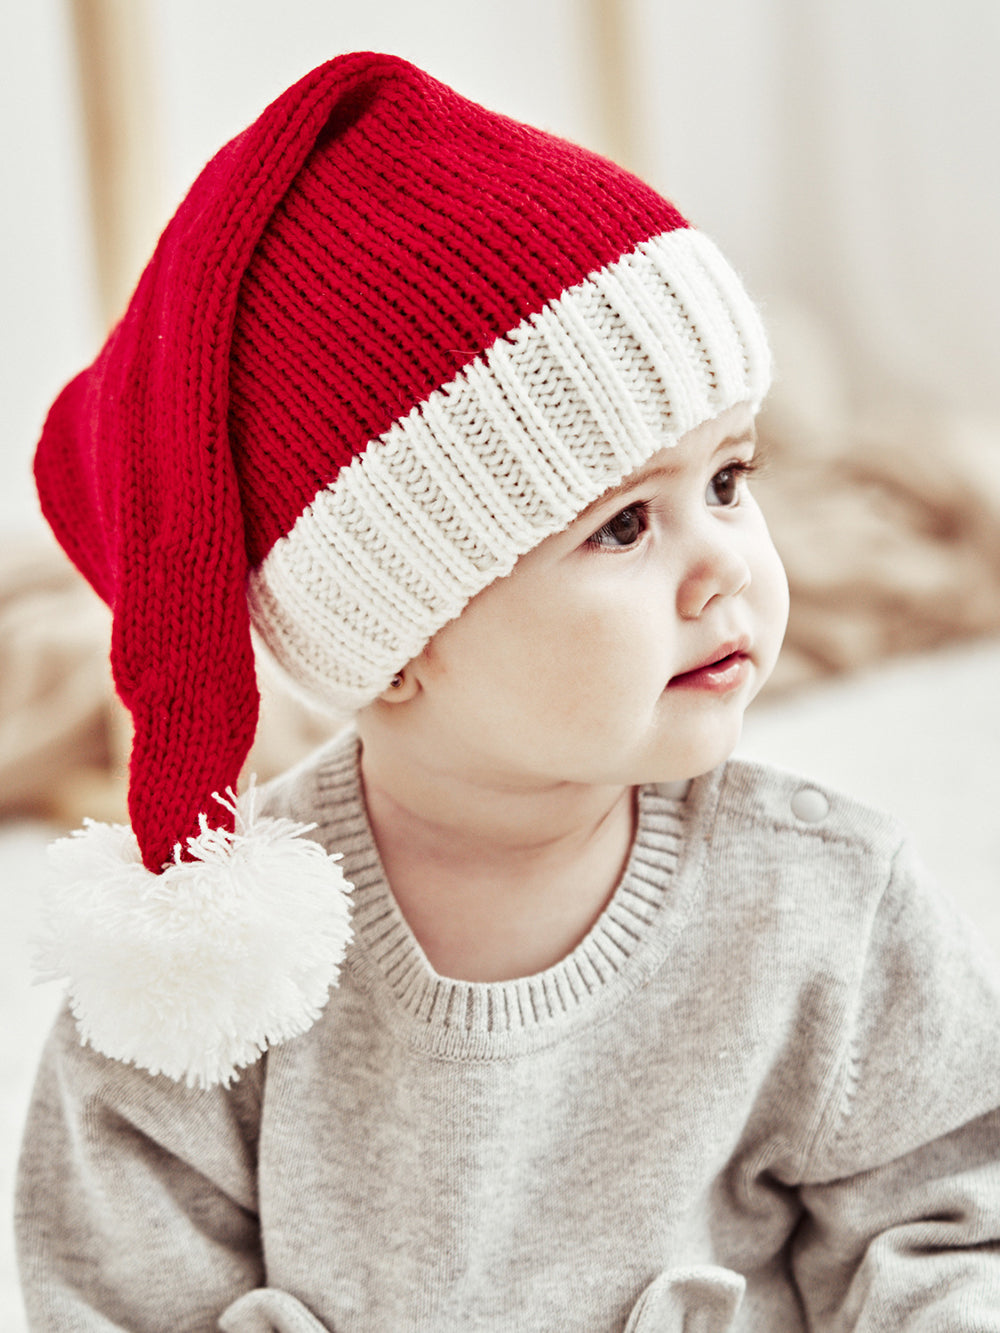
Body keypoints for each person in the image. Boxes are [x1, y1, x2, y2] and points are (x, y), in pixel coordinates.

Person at [14, 51, 1000, 1333]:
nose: (728, 570)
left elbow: (950, 1216)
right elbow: (112, 1287)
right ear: (398, 637)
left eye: (729, 479)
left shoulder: (822, 903)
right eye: (623, 528)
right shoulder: (218, 973)